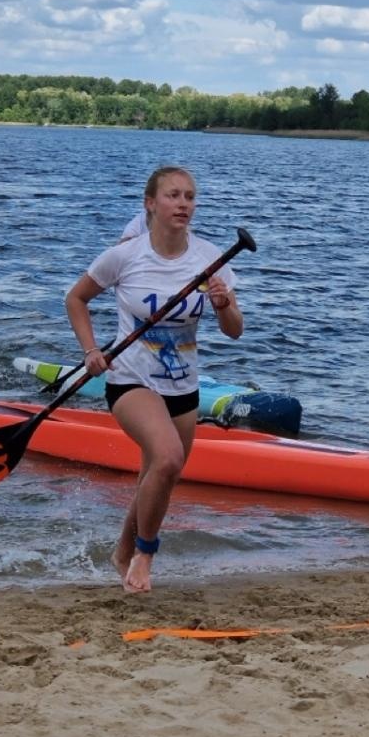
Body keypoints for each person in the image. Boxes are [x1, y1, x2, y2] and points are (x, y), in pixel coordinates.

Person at [65, 166, 244, 593]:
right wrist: (91, 351)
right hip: (130, 381)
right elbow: (76, 298)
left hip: (183, 388)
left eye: (190, 197)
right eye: (173, 196)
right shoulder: (125, 256)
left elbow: (235, 329)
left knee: (157, 476)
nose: (183, 204)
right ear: (150, 204)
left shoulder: (210, 260)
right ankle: (146, 554)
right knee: (166, 459)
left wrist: (222, 305)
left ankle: (122, 554)